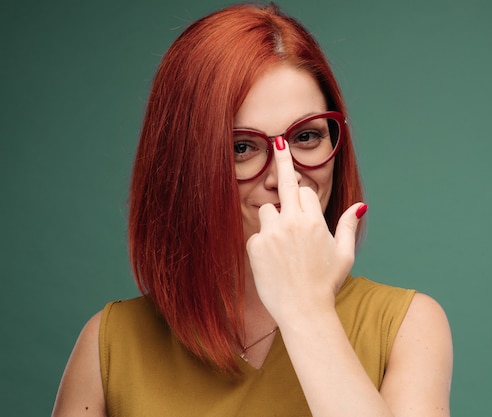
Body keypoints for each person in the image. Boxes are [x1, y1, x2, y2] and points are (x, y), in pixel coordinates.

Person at [51, 3, 453, 416]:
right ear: (182, 164)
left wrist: (306, 309)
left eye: (307, 136)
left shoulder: (408, 326)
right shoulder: (108, 346)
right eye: (242, 147)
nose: (286, 176)